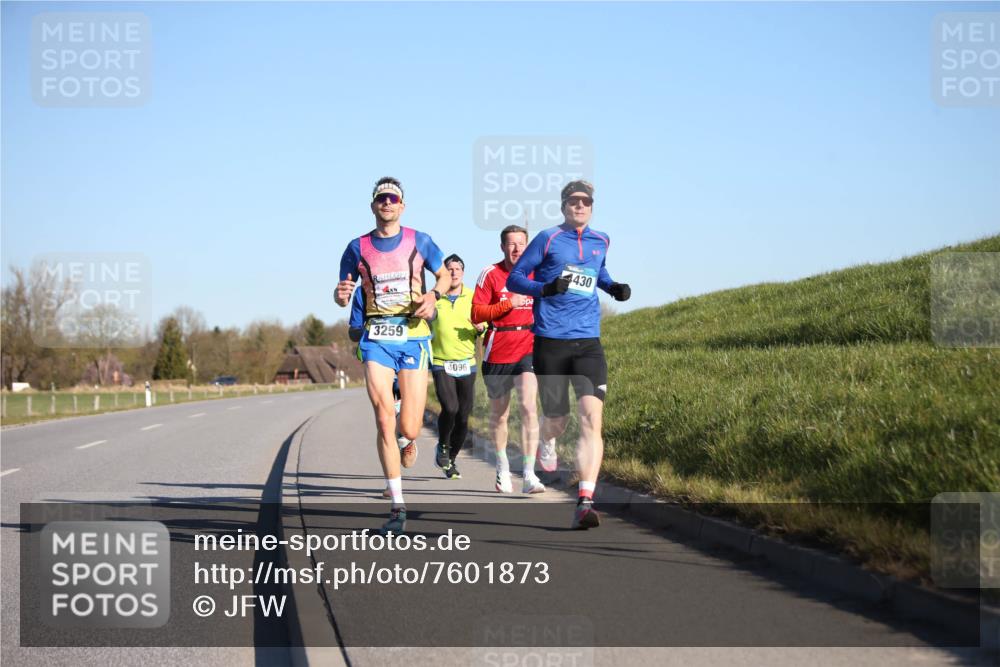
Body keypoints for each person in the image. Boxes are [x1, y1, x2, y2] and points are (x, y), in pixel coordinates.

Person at [507, 180, 631, 529]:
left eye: (586, 202)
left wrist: (613, 287)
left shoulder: (601, 240)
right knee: (557, 419)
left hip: (588, 341)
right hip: (551, 341)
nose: (580, 206)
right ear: (563, 206)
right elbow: (516, 279)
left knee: (592, 417)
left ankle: (585, 501)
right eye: (573, 201)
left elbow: (597, 273)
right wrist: (544, 288)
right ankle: (547, 439)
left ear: (592, 207)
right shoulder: (547, 239)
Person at [335, 177, 448, 535]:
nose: (387, 203)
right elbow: (343, 293)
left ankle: (408, 437)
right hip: (376, 337)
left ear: (402, 206)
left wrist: (433, 297)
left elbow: (443, 276)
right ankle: (398, 505)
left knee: (409, 425)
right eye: (381, 198)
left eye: (393, 198)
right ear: (373, 206)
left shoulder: (420, 241)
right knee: (383, 417)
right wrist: (340, 296)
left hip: (413, 336)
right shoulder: (357, 247)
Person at [472, 225, 546, 495]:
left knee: (528, 407)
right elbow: (476, 314)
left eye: (521, 244)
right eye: (511, 244)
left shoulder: (537, 272)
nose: (516, 249)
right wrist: (507, 304)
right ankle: (502, 467)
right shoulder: (490, 274)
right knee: (500, 415)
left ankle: (529, 473)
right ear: (502, 247)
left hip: (528, 346)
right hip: (498, 349)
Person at [430, 254, 485, 480]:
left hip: (467, 364)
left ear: (463, 272)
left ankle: (451, 459)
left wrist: (480, 327)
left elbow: (485, 324)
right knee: (450, 408)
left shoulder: (474, 297)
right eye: (449, 269)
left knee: (463, 416)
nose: (453, 273)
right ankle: (443, 445)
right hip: (441, 362)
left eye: (457, 269)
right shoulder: (434, 297)